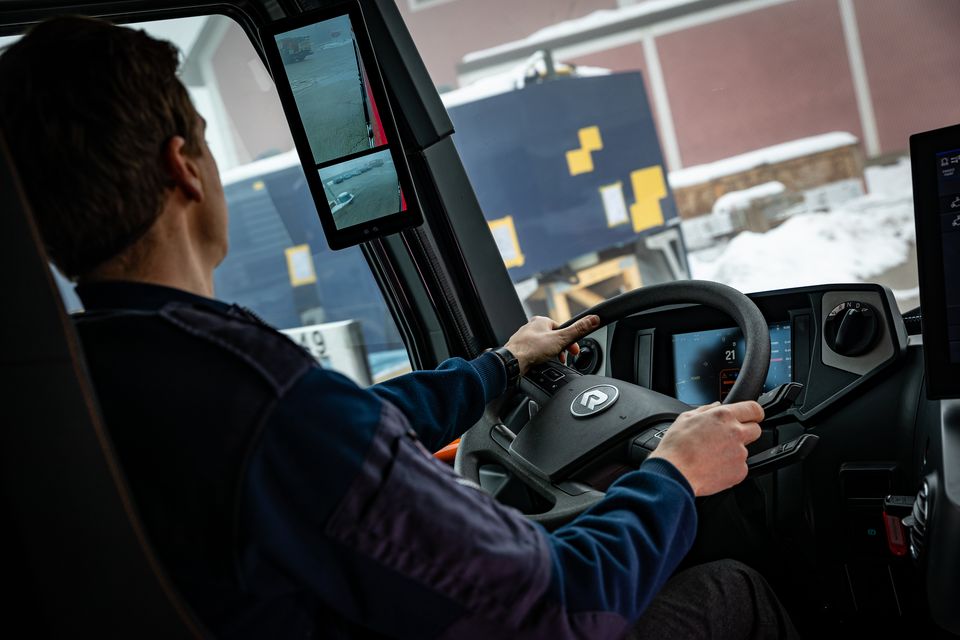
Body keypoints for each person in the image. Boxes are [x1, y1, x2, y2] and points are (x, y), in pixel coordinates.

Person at [0, 16, 798, 640]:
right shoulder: (251, 391)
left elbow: (345, 432)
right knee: (736, 593)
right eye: (206, 147)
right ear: (184, 167)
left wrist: (499, 367)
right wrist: (672, 473)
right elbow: (554, 611)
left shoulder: (86, 377)